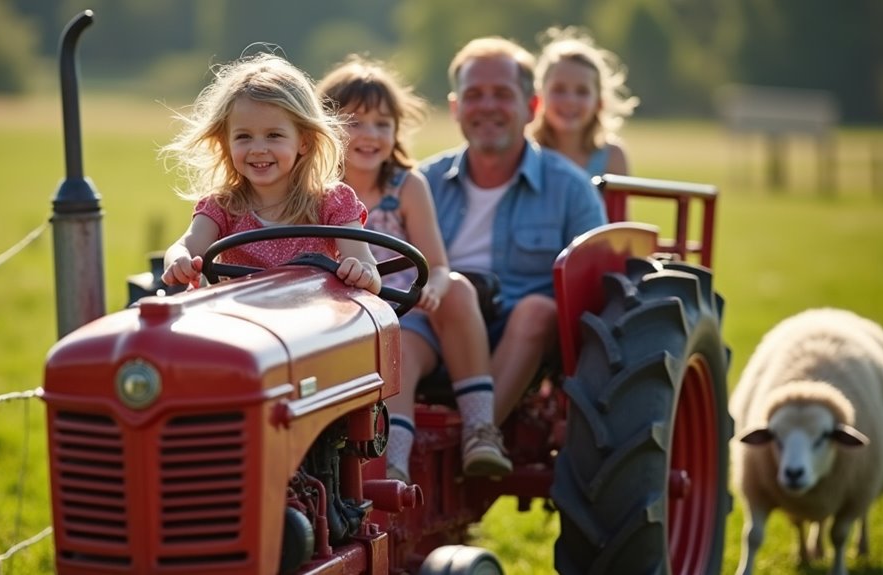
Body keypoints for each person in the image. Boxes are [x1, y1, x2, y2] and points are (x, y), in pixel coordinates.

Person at [317, 55, 512, 483]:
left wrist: (435, 288)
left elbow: (438, 266)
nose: (371, 135)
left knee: (437, 307)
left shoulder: (406, 186)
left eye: (382, 124)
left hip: (407, 315)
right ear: (325, 128)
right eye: (355, 122)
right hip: (342, 324)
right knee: (383, 347)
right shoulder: (315, 194)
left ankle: (473, 433)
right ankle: (383, 472)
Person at [420, 37, 608, 426]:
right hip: (438, 325)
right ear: (456, 108)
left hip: (522, 338)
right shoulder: (422, 184)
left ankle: (476, 435)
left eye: (502, 94)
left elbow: (594, 291)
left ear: (532, 106)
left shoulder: (572, 188)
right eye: (474, 94)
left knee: (537, 311)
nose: (487, 106)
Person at [160, 52, 381, 296]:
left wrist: (361, 273)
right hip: (243, 324)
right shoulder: (223, 207)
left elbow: (367, 267)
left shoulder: (332, 203)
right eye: (244, 137)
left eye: (274, 135)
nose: (258, 149)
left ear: (304, 142)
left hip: (313, 322)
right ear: (226, 143)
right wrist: (179, 260)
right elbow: (184, 246)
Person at [529, 26, 639, 177]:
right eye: (559, 90)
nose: (570, 101)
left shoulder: (612, 157)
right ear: (540, 97)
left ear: (599, 103)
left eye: (582, 92)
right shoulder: (526, 152)